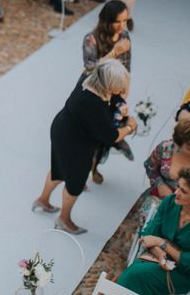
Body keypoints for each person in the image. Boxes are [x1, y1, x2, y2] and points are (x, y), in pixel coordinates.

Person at [65, 169, 190, 295]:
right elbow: (147, 234)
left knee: (134, 275)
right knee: (136, 276)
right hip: (155, 259)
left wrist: (163, 244)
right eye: (177, 186)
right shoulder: (170, 202)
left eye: (183, 191)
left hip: (183, 274)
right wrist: (160, 253)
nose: (175, 192)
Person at [32, 59, 137, 234]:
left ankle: (42, 200)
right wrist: (130, 126)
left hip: (62, 130)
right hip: (76, 143)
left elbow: (110, 99)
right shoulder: (92, 104)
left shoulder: (89, 79)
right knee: (75, 184)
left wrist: (119, 104)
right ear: (109, 84)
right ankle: (64, 219)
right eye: (119, 86)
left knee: (58, 167)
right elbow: (111, 136)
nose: (122, 91)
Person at [81, 0, 133, 184]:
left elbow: (126, 69)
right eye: (117, 21)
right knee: (87, 133)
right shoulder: (91, 39)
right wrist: (114, 52)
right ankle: (82, 169)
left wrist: (122, 98)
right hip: (93, 93)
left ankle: (94, 167)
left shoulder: (124, 36)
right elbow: (89, 70)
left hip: (113, 96)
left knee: (104, 137)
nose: (122, 26)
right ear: (106, 20)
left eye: (125, 20)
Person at [145, 119, 190, 200]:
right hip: (156, 199)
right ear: (179, 142)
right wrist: (160, 185)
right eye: (189, 147)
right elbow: (149, 165)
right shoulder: (166, 147)